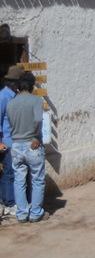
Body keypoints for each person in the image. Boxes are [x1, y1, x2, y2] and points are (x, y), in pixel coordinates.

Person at [6, 71, 46, 223]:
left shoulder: (11, 103)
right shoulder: (36, 101)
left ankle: (22, 214)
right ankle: (35, 213)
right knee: (37, 180)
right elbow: (37, 120)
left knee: (19, 180)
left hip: (16, 144)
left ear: (18, 86)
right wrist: (35, 136)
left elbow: (11, 123)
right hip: (32, 144)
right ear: (32, 86)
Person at [0, 65, 23, 218]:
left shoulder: (15, 96)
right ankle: (8, 203)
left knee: (13, 172)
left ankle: (9, 201)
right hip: (6, 142)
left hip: (15, 141)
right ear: (14, 83)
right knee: (8, 173)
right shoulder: (3, 97)